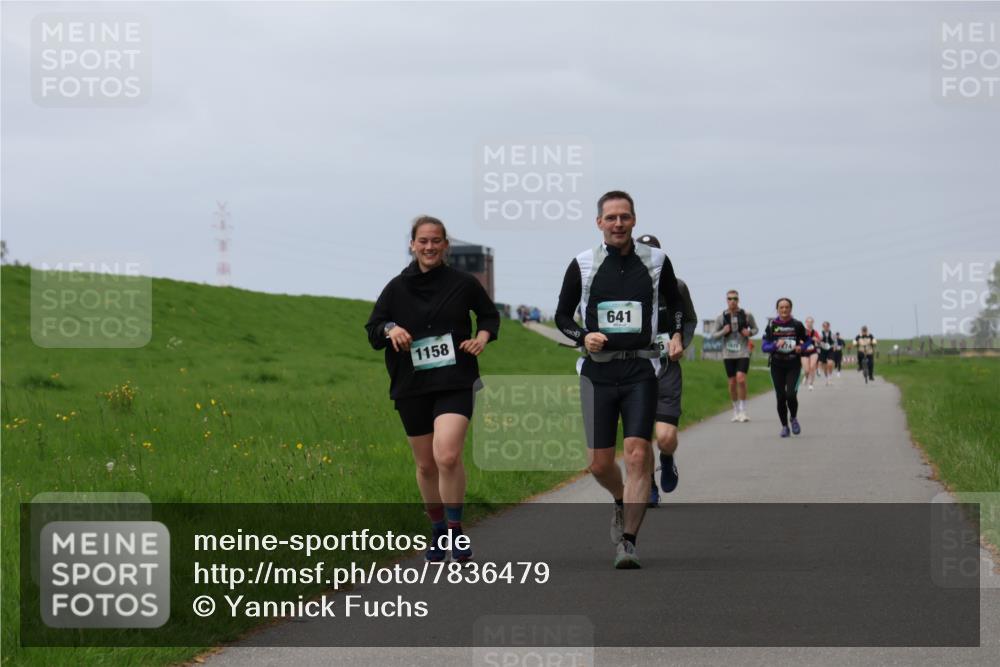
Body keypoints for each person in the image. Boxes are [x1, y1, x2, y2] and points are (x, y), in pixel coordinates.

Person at [556, 191, 684, 569]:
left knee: (637, 454)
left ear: (634, 220)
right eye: (610, 218)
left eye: (624, 217)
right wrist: (583, 336)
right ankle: (620, 498)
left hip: (641, 370)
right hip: (597, 372)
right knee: (599, 464)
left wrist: (677, 335)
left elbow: (675, 305)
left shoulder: (657, 261)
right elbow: (562, 315)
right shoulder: (583, 264)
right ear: (599, 222)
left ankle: (628, 542)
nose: (618, 224)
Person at [365, 215, 500, 563]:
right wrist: (391, 329)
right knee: (426, 465)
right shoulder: (396, 288)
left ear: (445, 245)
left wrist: (482, 338)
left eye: (436, 241)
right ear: (412, 245)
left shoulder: (463, 283)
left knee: (448, 455)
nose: (429, 247)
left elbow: (488, 315)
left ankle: (455, 531)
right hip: (412, 384)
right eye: (423, 241)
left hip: (455, 380)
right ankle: (438, 529)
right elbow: (373, 329)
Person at [635, 234, 697, 508]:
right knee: (640, 436)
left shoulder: (677, 286)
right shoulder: (625, 288)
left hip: (667, 367)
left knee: (665, 437)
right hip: (635, 367)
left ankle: (667, 459)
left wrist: (680, 341)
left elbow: (689, 319)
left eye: (653, 254)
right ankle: (649, 485)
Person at [761, 298, 811, 437]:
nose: (784, 310)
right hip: (777, 365)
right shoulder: (772, 325)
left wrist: (802, 347)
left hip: (793, 364)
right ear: (777, 309)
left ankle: (793, 418)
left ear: (791, 309)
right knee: (781, 397)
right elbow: (764, 347)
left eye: (787, 307)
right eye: (781, 307)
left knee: (791, 395)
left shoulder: (797, 325)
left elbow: (808, 340)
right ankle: (784, 426)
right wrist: (775, 345)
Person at [706, 290, 759, 422]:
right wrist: (723, 331)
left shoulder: (747, 315)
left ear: (738, 300)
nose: (732, 301)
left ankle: (743, 410)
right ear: (726, 300)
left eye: (735, 298)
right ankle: (735, 410)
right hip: (728, 354)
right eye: (730, 299)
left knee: (741, 379)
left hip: (743, 352)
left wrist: (749, 333)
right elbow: (713, 334)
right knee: (732, 382)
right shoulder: (721, 317)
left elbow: (756, 329)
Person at [801, 316, 821, 390]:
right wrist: (802, 342)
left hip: (813, 351)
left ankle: (811, 384)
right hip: (804, 352)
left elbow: (819, 341)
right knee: (806, 370)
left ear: (813, 323)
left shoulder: (815, 332)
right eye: (808, 322)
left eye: (811, 322)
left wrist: (817, 340)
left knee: (812, 367)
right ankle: (806, 376)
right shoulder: (803, 331)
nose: (810, 323)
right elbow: (799, 340)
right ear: (806, 322)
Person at [818, 321, 836, 385]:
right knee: (825, 366)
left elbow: (835, 342)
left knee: (830, 363)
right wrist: (819, 341)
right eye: (824, 326)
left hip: (830, 350)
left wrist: (834, 346)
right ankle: (827, 378)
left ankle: (830, 377)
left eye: (827, 326)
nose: (826, 327)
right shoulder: (820, 334)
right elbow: (817, 342)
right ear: (823, 327)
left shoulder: (832, 334)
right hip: (823, 350)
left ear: (829, 326)